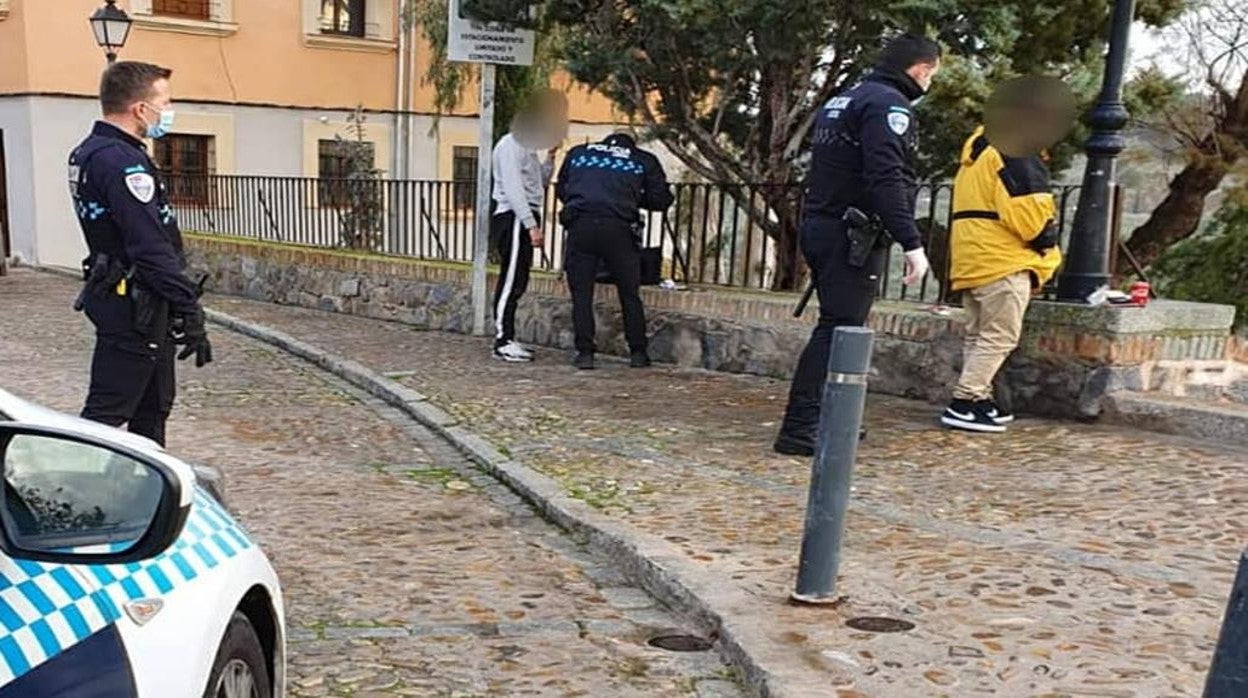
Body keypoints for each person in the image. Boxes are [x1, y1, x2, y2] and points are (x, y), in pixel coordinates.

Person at [773, 34, 941, 456]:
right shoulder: (888, 106)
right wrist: (912, 242)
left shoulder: (846, 98)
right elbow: (885, 178)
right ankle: (801, 430)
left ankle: (834, 418)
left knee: (840, 325)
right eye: (932, 74)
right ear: (920, 70)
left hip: (825, 223)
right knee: (839, 328)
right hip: (851, 232)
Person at [69, 61, 212, 448]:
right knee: (108, 413)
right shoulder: (121, 162)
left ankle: (139, 490)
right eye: (164, 101)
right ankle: (73, 496)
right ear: (139, 108)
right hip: (133, 302)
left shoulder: (93, 151)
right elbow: (148, 247)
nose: (168, 110)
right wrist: (188, 305)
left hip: (134, 297)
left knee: (153, 404)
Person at [941, 77, 1074, 432]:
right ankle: (964, 400)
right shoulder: (1014, 149)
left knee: (979, 334)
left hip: (974, 257)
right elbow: (1029, 213)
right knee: (999, 336)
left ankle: (978, 398)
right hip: (1004, 260)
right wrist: (1047, 242)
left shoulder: (980, 150)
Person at [555, 131, 674, 370]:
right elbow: (661, 200)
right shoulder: (642, 159)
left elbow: (562, 191)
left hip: (581, 225)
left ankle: (585, 353)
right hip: (619, 229)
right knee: (629, 293)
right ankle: (638, 353)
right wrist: (632, 197)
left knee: (581, 294)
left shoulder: (579, 153)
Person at [489, 107, 561, 363]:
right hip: (515, 216)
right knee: (511, 277)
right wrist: (530, 225)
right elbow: (513, 187)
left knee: (519, 276)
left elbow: (537, 183)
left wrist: (551, 157)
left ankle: (506, 336)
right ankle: (503, 339)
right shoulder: (511, 146)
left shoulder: (526, 149)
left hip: (523, 214)